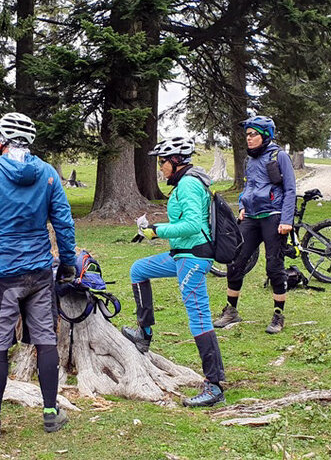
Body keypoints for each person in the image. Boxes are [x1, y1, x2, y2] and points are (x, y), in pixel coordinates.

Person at [0, 112, 77, 439]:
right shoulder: (48, 173)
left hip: (2, 274)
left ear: (1, 141)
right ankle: (51, 413)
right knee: (45, 340)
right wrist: (67, 262)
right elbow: (63, 222)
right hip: (39, 272)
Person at [121, 136, 226, 408]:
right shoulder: (184, 183)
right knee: (138, 269)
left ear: (176, 161)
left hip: (192, 258)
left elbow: (192, 225)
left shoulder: (189, 184)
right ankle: (144, 334)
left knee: (199, 318)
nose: (160, 167)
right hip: (180, 255)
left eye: (163, 162)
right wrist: (155, 230)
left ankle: (214, 385)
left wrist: (158, 230)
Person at [212, 116, 296, 334]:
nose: (248, 138)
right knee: (235, 261)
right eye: (247, 134)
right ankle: (231, 311)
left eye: (253, 134)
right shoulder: (250, 160)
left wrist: (287, 220)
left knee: (274, 266)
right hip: (251, 216)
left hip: (274, 216)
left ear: (265, 135)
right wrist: (242, 205)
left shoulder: (280, 156)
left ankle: (278, 316)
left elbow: (290, 190)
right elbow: (248, 187)